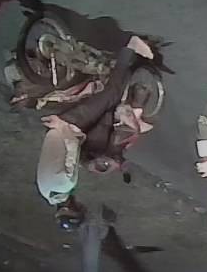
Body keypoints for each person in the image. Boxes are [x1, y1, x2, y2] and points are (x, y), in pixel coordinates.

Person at [36, 34, 155, 230]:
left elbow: (71, 145)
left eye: (77, 207)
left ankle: (130, 48)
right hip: (55, 132)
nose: (78, 204)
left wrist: (65, 128)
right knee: (101, 123)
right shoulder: (46, 191)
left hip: (68, 125)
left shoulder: (66, 184)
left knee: (111, 95)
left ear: (72, 208)